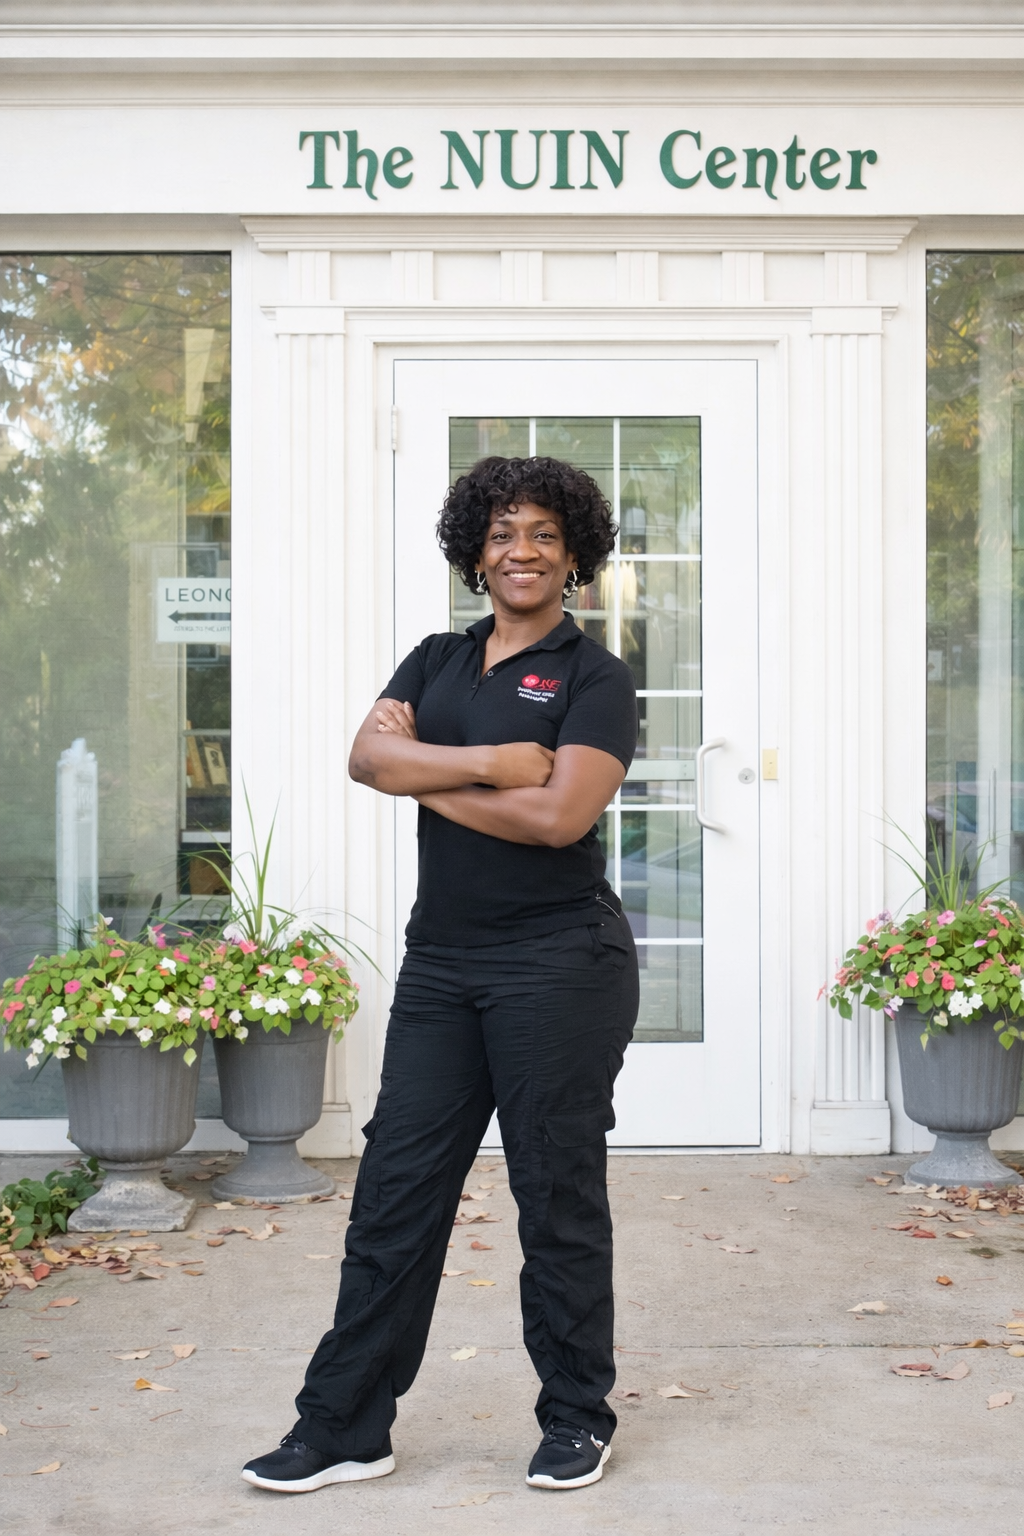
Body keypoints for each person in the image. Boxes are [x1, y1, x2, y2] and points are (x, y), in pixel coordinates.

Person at [242, 454, 640, 1495]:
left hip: (561, 963)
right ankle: (342, 1426)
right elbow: (364, 760)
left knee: (554, 1193)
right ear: (475, 549)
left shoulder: (594, 678)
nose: (522, 550)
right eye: (503, 531)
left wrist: (425, 776)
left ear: (573, 556)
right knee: (393, 1194)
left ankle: (574, 1417)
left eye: (545, 534)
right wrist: (490, 763)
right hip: (443, 963)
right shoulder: (433, 658)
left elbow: (559, 818)